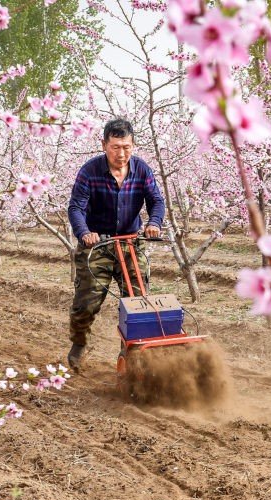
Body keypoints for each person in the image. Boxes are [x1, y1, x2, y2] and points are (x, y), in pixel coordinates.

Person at [66, 117, 165, 372]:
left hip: (131, 241)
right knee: (86, 303)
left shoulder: (142, 170)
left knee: (137, 300)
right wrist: (85, 232)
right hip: (97, 244)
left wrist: (154, 222)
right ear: (104, 145)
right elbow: (76, 207)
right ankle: (79, 343)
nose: (121, 154)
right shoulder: (90, 171)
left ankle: (131, 351)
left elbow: (156, 200)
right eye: (115, 147)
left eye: (126, 147)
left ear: (133, 145)